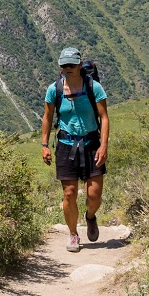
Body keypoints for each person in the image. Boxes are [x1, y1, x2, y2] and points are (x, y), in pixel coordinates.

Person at [40, 47, 109, 253]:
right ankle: (73, 234)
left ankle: (90, 217)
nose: (68, 68)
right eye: (64, 65)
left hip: (91, 144)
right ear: (60, 67)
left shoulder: (94, 88)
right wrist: (44, 145)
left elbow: (104, 117)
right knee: (69, 194)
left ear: (80, 65)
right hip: (66, 145)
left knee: (94, 194)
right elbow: (47, 117)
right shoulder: (55, 90)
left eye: (71, 65)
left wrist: (104, 145)